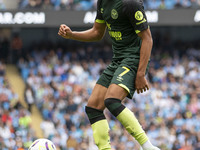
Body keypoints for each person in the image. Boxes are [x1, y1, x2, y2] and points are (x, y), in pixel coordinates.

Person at [58, 0, 160, 149]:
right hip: (118, 60)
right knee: (93, 108)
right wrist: (72, 34)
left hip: (133, 58)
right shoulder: (103, 2)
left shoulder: (130, 3)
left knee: (112, 100)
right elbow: (97, 32)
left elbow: (147, 39)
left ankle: (148, 146)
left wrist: (140, 74)